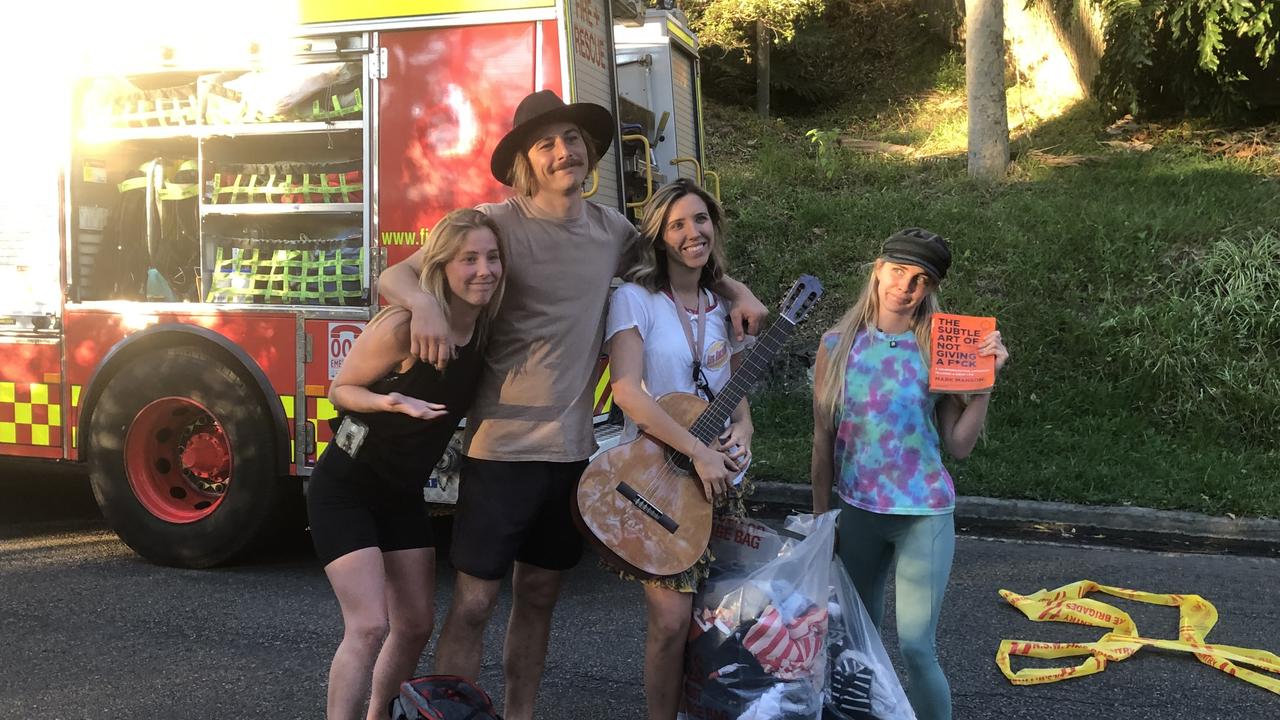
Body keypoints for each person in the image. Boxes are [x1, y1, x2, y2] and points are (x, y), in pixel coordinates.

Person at [376, 89, 767, 720]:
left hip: (575, 455)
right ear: (526, 163)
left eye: (574, 140)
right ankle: (447, 713)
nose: (565, 151)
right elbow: (394, 277)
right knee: (474, 603)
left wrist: (737, 288)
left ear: (589, 153)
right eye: (547, 143)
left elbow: (680, 256)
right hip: (499, 448)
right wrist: (422, 303)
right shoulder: (495, 225)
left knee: (538, 595)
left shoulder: (612, 232)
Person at [307, 209, 506, 720]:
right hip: (345, 488)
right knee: (369, 625)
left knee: (415, 624)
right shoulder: (401, 327)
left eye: (492, 257)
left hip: (401, 495)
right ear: (441, 266)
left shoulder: (485, 331)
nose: (483, 270)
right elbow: (340, 390)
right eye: (468, 259)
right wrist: (391, 403)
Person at [809, 228, 1009, 720]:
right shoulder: (835, 346)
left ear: (930, 288)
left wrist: (984, 386)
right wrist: (821, 519)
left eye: (920, 279)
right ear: (877, 270)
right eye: (898, 271)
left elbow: (958, 446)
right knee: (858, 646)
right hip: (858, 512)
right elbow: (822, 440)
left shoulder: (939, 347)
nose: (905, 286)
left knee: (918, 648)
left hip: (923, 514)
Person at [605, 178, 753, 720]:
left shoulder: (723, 306)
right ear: (659, 238)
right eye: (678, 224)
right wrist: (697, 450)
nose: (694, 232)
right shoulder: (635, 299)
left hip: (721, 477)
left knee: (720, 619)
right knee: (669, 623)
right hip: (658, 475)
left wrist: (745, 432)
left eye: (701, 219)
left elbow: (734, 389)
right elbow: (627, 392)